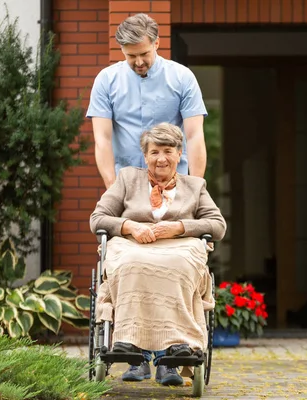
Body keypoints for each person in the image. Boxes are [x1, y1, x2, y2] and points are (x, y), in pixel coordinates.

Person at [89, 123, 226, 386]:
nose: (161, 158)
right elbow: (98, 218)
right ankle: (130, 346)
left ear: (179, 153)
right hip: (132, 244)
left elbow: (218, 225)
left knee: (177, 265)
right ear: (145, 155)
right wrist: (130, 226)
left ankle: (175, 348)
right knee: (131, 263)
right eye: (154, 152)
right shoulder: (128, 179)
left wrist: (179, 227)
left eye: (167, 151)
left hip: (179, 247)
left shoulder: (195, 186)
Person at [86, 13, 207, 189]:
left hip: (174, 184)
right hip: (126, 184)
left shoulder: (182, 78)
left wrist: (194, 190)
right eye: (131, 56)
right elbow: (102, 139)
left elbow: (194, 136)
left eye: (144, 53)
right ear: (122, 49)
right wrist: (113, 189)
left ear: (156, 43)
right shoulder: (106, 80)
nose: (139, 62)